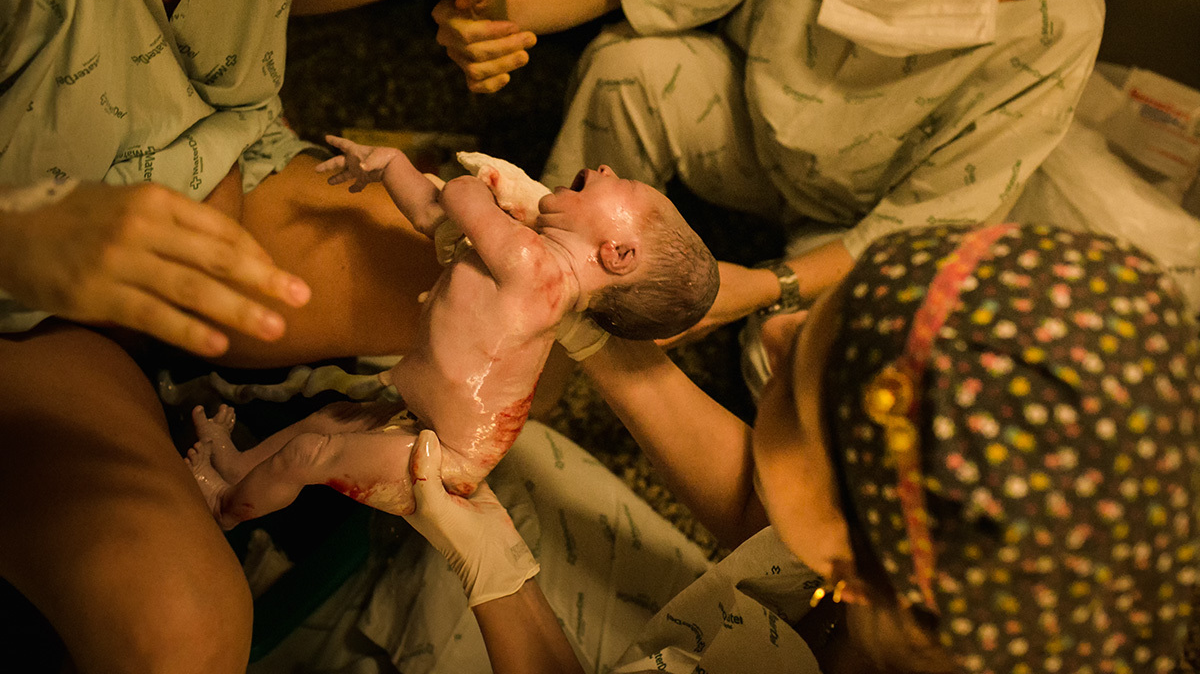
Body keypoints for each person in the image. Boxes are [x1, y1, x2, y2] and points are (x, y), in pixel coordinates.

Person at [0, 0, 579, 671]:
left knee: (550, 344)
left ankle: (225, 420)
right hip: (29, 314)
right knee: (181, 631)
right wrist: (19, 237)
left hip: (242, 202)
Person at [349, 223, 1199, 674]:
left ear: (855, 548)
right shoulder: (942, 569)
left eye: (794, 396)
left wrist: (500, 580)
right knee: (520, 463)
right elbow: (772, 519)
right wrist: (595, 331)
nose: (778, 326)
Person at [432, 0, 1106, 394]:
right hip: (752, 124)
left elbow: (921, 227)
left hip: (861, 223)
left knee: (805, 365)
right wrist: (493, 10)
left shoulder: (1057, 24)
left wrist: (761, 287)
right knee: (626, 71)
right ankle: (539, 316)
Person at [185, 135, 719, 530]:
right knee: (328, 419)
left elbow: (462, 194)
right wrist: (391, 164)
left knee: (310, 456)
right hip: (425, 417)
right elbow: (429, 212)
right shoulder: (517, 254)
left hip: (442, 459)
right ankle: (236, 465)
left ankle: (224, 509)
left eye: (620, 184)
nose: (605, 166)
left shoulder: (536, 270)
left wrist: (505, 185)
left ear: (618, 254)